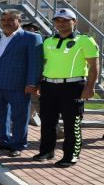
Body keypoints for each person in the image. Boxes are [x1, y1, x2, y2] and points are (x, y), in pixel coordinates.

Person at [35, 9, 100, 167]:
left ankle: (71, 155)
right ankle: (46, 151)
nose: (61, 23)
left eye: (66, 20)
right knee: (48, 121)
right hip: (49, 86)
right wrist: (38, 83)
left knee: (72, 123)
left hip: (73, 86)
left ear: (74, 22)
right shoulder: (48, 41)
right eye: (58, 20)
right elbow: (43, 64)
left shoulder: (85, 40)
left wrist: (90, 87)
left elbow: (94, 65)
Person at [0, 9, 43, 157]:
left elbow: (35, 63)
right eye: (4, 20)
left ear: (19, 21)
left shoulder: (31, 38)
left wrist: (32, 83)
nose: (7, 23)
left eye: (11, 20)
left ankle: (18, 144)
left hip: (19, 86)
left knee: (20, 117)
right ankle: (4, 141)